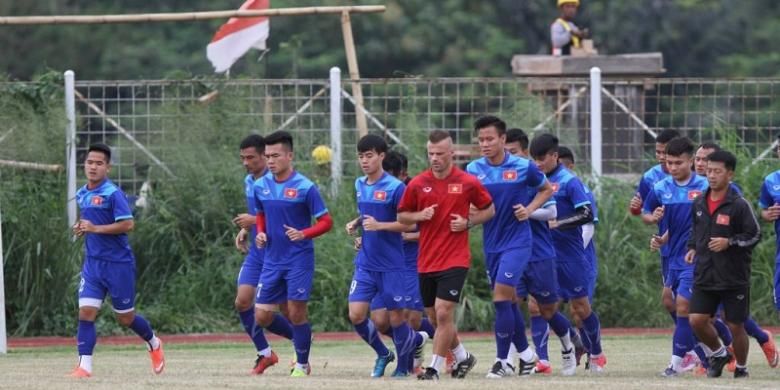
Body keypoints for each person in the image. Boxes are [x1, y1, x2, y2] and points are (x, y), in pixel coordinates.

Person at [398, 130, 495, 380]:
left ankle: (434, 369)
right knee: (434, 316)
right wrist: (420, 216)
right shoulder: (418, 184)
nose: (435, 158)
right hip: (427, 260)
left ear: (451, 153)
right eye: (431, 153)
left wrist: (468, 223)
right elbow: (402, 216)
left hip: (455, 259)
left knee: (443, 313)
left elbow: (489, 210)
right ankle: (463, 356)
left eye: (440, 153)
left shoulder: (468, 182)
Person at [466, 116, 554, 378]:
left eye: (490, 138)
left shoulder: (523, 166)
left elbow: (546, 190)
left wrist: (528, 209)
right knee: (508, 301)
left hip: (518, 242)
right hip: (492, 243)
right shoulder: (473, 169)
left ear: (503, 140)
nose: (484, 144)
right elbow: (471, 203)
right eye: (481, 139)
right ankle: (527, 356)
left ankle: (503, 360)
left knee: (502, 297)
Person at [69, 143, 164, 378]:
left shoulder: (113, 193)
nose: (93, 167)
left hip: (118, 265)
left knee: (125, 318)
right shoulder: (83, 193)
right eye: (90, 162)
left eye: (99, 163)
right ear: (84, 164)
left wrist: (96, 228)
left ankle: (153, 342)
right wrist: (81, 227)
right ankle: (84, 367)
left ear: (108, 168)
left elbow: (128, 224)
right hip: (93, 264)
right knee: (86, 313)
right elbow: (89, 220)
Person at [691, 141, 777, 373]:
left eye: (717, 171)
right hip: (705, 273)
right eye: (708, 170)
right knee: (696, 319)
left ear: (730, 174)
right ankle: (719, 354)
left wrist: (729, 242)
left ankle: (741, 366)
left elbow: (754, 235)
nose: (711, 175)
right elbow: (696, 231)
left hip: (733, 276)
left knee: (735, 324)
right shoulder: (699, 202)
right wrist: (691, 248)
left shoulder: (739, 204)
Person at [345, 135, 427, 378]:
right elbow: (367, 214)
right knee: (356, 314)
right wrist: (357, 222)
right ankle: (383, 353)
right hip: (366, 264)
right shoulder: (359, 184)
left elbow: (409, 226)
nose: (364, 161)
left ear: (381, 156)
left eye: (369, 155)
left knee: (396, 317)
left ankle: (402, 369)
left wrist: (380, 226)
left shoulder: (396, 187)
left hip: (392, 265)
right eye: (360, 156)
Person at [253, 131, 334, 377]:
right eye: (267, 156)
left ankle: (301, 365)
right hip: (272, 259)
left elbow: (326, 221)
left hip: (299, 259)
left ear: (290, 156)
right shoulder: (260, 186)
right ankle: (302, 339)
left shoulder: (305, 187)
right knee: (263, 316)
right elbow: (261, 214)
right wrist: (260, 232)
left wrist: (305, 233)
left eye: (275, 155)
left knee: (296, 312)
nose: (270, 160)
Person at [530, 134, 606, 373]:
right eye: (535, 159)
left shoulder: (570, 182)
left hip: (570, 255)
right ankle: (543, 360)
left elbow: (585, 215)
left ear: (555, 156)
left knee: (581, 308)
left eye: (542, 158)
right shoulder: (533, 180)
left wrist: (559, 223)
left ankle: (596, 353)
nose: (538, 163)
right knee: (538, 307)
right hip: (543, 254)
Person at [505, 136, 578, 377]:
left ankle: (568, 345)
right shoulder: (500, 178)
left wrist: (528, 212)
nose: (509, 156)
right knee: (509, 303)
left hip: (539, 253)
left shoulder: (533, 176)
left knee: (546, 310)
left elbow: (553, 212)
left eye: (513, 151)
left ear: (524, 152)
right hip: (512, 252)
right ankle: (514, 357)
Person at [643, 137, 708, 377]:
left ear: (691, 161)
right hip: (672, 256)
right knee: (669, 301)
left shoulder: (704, 186)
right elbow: (647, 214)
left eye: (678, 163)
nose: (672, 167)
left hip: (696, 256)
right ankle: (712, 351)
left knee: (683, 305)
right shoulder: (661, 188)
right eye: (669, 163)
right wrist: (658, 231)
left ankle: (677, 363)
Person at [233, 134, 294, 375]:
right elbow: (257, 213)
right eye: (242, 158)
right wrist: (245, 229)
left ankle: (302, 342)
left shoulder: (276, 181)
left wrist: (253, 221)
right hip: (258, 252)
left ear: (264, 156)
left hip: (278, 252)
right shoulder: (250, 181)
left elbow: (285, 217)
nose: (246, 163)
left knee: (286, 310)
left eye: (251, 158)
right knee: (242, 301)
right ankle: (265, 353)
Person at [632, 129, 680, 324]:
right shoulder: (651, 177)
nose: (660, 157)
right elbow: (643, 211)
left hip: (692, 245)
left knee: (695, 304)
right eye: (658, 152)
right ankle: (698, 347)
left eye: (665, 152)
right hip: (667, 246)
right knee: (670, 301)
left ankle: (718, 347)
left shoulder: (697, 180)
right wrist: (644, 214)